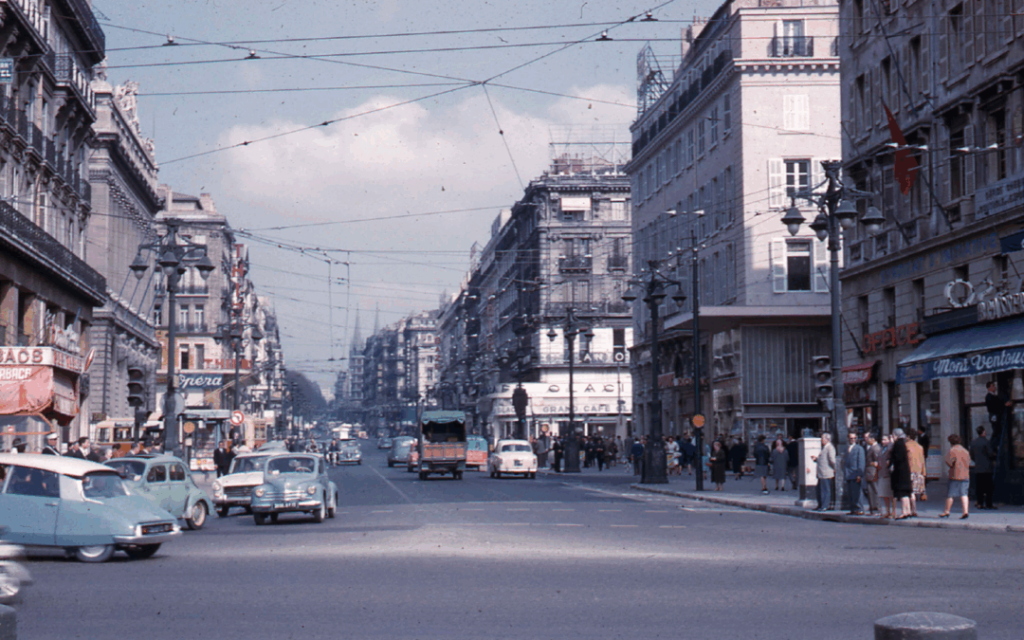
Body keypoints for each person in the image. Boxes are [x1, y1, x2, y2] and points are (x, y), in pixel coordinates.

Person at [939, 434, 971, 520]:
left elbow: (949, 462)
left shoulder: (952, 451)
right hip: (965, 475)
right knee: (964, 494)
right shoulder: (965, 451)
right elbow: (969, 462)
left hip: (955, 475)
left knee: (950, 494)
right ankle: (965, 511)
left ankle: (946, 511)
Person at [889, 428, 913, 519]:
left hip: (900, 473)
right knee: (906, 494)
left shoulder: (897, 444)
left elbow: (896, 458)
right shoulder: (903, 443)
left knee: (902, 493)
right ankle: (908, 511)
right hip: (905, 472)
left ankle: (904, 511)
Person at [970, 425, 996, 510]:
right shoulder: (986, 442)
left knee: (979, 487)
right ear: (983, 432)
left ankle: (980, 503)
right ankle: (989, 503)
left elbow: (972, 455)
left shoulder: (973, 442)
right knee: (988, 487)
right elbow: (990, 453)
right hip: (987, 468)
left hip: (978, 468)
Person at [985, 381, 1012, 458]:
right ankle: (993, 447)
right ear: (989, 387)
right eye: (993, 386)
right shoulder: (989, 396)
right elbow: (994, 406)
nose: (995, 387)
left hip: (997, 416)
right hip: (994, 416)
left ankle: (996, 447)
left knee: (998, 431)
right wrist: (1004, 405)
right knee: (996, 431)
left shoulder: (994, 396)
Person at [843, 431, 866, 515]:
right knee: (850, 493)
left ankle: (860, 508)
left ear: (856, 439)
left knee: (857, 492)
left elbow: (861, 462)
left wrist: (859, 474)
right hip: (848, 474)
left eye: (854, 438)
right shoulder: (847, 448)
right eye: (850, 438)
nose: (852, 440)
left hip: (855, 473)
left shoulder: (859, 448)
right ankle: (853, 509)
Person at [811, 433, 836, 511]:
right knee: (819, 490)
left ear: (827, 439)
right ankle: (820, 505)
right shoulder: (824, 447)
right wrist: (817, 459)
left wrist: (834, 468)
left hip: (826, 473)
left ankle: (825, 506)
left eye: (822, 438)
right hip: (821, 473)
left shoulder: (830, 448)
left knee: (825, 490)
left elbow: (832, 460)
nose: (821, 440)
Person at [906, 429, 926, 515]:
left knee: (910, 492)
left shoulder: (906, 446)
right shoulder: (920, 447)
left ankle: (912, 509)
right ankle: (913, 509)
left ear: (908, 436)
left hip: (909, 470)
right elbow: (922, 460)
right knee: (914, 491)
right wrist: (924, 473)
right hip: (918, 471)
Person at [877, 434, 894, 519]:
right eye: (882, 439)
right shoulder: (881, 449)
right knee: (884, 494)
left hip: (888, 474)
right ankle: (887, 511)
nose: (883, 441)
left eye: (885, 439)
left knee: (890, 494)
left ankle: (893, 511)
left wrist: (891, 441)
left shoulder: (890, 448)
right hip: (882, 473)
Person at [863, 432, 881, 515]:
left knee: (875, 490)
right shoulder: (871, 447)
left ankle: (876, 507)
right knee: (870, 490)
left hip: (873, 472)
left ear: (873, 439)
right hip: (869, 472)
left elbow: (877, 461)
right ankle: (872, 507)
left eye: (869, 438)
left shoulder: (875, 448)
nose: (867, 440)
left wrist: (874, 464)